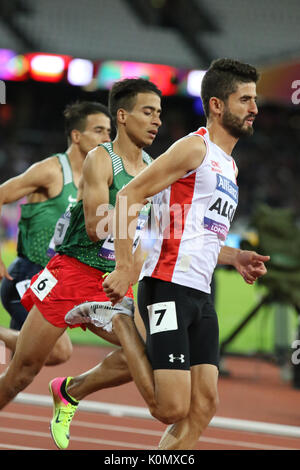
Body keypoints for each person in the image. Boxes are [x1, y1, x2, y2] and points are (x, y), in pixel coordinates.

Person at [47, 59, 270, 451]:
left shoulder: (230, 167)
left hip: (200, 294)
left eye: (254, 100)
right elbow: (132, 195)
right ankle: (118, 319)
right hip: (167, 285)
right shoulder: (193, 147)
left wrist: (235, 257)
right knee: (170, 407)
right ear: (217, 105)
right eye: (245, 99)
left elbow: (197, 234)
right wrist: (122, 266)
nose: (254, 108)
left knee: (203, 406)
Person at [0, 78, 162, 425]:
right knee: (22, 372)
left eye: (159, 113)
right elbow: (95, 225)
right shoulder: (99, 159)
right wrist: (132, 208)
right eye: (148, 112)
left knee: (148, 352)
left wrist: (131, 269)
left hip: (114, 282)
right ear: (123, 116)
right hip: (71, 274)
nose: (157, 121)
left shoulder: (153, 168)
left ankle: (71, 390)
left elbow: (149, 233)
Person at [0, 101, 112, 365]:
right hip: (28, 276)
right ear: (76, 136)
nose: (107, 138)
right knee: (59, 351)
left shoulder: (101, 179)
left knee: (20, 369)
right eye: (99, 130)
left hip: (59, 280)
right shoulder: (51, 171)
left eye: (109, 131)